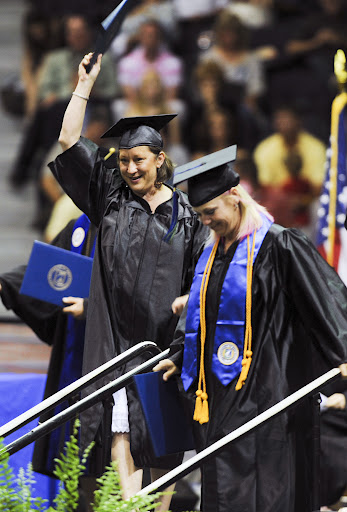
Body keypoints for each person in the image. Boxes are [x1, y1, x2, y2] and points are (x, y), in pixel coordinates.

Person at [48, 52, 208, 509]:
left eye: (138, 159)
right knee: (122, 431)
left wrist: (184, 331)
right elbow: (66, 138)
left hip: (164, 343)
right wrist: (84, 84)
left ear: (160, 158)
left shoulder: (187, 216)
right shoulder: (110, 199)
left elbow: (197, 280)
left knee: (165, 443)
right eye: (123, 160)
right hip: (117, 345)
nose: (130, 168)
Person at [154, 149, 347, 511]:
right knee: (225, 486)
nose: (206, 222)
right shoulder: (212, 254)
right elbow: (203, 310)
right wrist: (182, 354)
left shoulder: (280, 245)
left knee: (266, 489)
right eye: (200, 216)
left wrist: (345, 356)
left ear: (235, 197)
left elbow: (326, 300)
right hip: (220, 398)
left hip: (270, 394)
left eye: (210, 213)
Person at [0, 213, 97, 476]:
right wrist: (7, 283)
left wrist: (91, 307)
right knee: (77, 462)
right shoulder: (82, 225)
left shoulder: (134, 224)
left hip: (111, 356)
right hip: (77, 352)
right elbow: (48, 269)